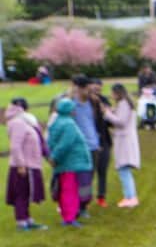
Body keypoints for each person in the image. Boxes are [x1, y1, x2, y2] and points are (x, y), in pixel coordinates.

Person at [46, 98, 93, 227]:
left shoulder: (56, 122)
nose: (75, 111)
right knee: (70, 191)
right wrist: (54, 157)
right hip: (72, 163)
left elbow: (50, 143)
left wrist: (52, 157)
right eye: (73, 109)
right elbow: (66, 143)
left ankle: (69, 215)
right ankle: (69, 218)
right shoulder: (68, 124)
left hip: (66, 164)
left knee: (65, 190)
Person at [6, 98, 48, 230]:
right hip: (24, 165)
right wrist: (20, 164)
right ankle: (22, 222)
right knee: (22, 194)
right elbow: (15, 146)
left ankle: (27, 219)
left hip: (30, 164)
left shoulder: (26, 121)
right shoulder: (18, 122)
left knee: (26, 193)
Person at [101, 84, 141, 208]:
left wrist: (107, 113)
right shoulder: (124, 104)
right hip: (124, 139)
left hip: (125, 141)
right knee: (124, 170)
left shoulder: (124, 104)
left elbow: (121, 121)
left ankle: (131, 197)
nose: (111, 96)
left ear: (117, 93)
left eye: (112, 93)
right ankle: (129, 196)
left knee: (124, 169)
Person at [66, 75, 101, 215]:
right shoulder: (70, 104)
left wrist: (99, 141)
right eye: (86, 88)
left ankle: (83, 205)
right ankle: (74, 204)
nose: (90, 90)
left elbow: (98, 123)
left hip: (93, 146)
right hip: (79, 147)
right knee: (77, 178)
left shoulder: (93, 102)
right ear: (79, 89)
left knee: (88, 178)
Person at [88, 78, 113, 207]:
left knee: (102, 170)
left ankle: (101, 197)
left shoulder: (104, 101)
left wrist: (107, 112)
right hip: (90, 142)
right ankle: (85, 199)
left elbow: (111, 121)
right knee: (89, 172)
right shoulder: (86, 103)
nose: (97, 89)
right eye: (94, 86)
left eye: (99, 87)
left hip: (104, 140)